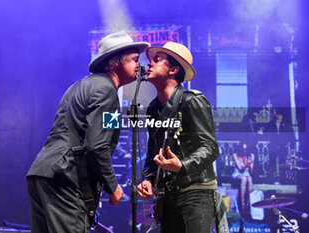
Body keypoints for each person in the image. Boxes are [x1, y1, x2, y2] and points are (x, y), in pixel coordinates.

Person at [27, 32, 150, 233]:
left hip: (43, 174)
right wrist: (113, 186)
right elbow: (97, 145)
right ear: (115, 62)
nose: (140, 65)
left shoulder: (81, 85)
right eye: (135, 59)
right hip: (65, 178)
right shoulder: (107, 91)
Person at [136, 42, 223, 233]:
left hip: (196, 192)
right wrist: (149, 180)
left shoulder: (192, 100)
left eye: (157, 60)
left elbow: (210, 147)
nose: (149, 64)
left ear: (174, 69)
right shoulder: (152, 108)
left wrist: (182, 166)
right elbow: (153, 153)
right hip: (168, 196)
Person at [232, 143, 255, 214]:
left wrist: (251, 164)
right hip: (237, 173)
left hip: (246, 174)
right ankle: (242, 204)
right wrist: (248, 163)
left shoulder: (251, 156)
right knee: (244, 179)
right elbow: (240, 168)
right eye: (243, 149)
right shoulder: (235, 155)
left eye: (246, 149)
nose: (244, 151)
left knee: (249, 179)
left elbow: (251, 172)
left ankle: (248, 203)